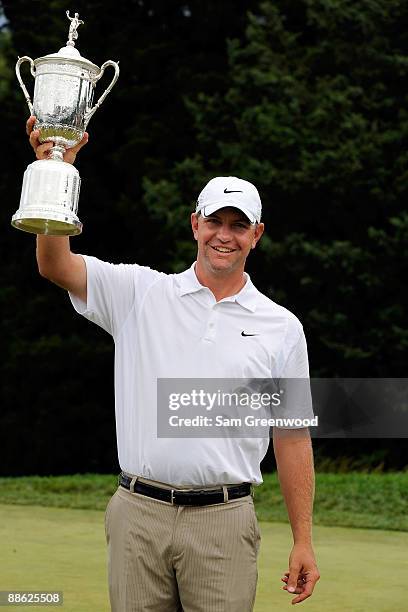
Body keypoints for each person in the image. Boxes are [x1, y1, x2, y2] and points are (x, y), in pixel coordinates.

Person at [26, 115, 320, 611]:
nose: (224, 236)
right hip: (138, 515)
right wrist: (54, 170)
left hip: (224, 522)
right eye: (215, 222)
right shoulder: (141, 292)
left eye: (238, 225)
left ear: (257, 235)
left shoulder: (282, 326)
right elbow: (55, 264)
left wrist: (303, 540)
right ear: (195, 224)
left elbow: (291, 437)